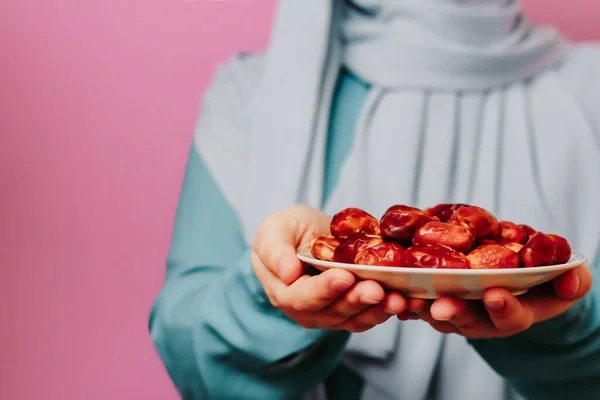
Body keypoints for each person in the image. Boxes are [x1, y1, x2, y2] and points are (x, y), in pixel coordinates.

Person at [148, 1, 600, 399]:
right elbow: (191, 359)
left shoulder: (590, 90)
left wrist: (559, 322)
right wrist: (279, 286)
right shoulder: (248, 93)